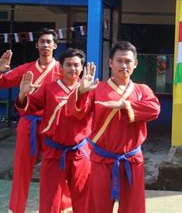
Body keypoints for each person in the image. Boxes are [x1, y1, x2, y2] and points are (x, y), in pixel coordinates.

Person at [0, 28, 71, 213]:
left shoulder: (61, 70)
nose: (45, 45)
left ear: (55, 45)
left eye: (49, 42)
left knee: (56, 169)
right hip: (28, 124)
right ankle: (16, 209)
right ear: (36, 45)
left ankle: (61, 207)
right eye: (42, 41)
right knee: (22, 170)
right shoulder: (26, 68)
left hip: (53, 127)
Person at [68, 41, 160, 213]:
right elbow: (75, 112)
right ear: (110, 62)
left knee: (133, 208)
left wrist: (124, 106)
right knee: (97, 207)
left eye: (128, 61)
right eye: (119, 61)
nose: (123, 65)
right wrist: (80, 92)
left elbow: (154, 109)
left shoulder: (142, 90)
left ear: (135, 64)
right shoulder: (97, 88)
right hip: (101, 160)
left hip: (132, 161)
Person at [16, 48, 91, 212]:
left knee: (84, 200)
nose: (73, 69)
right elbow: (28, 108)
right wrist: (22, 94)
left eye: (76, 65)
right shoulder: (49, 88)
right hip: (54, 153)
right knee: (50, 201)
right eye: (68, 65)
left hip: (80, 153)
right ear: (60, 68)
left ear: (82, 68)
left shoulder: (90, 90)